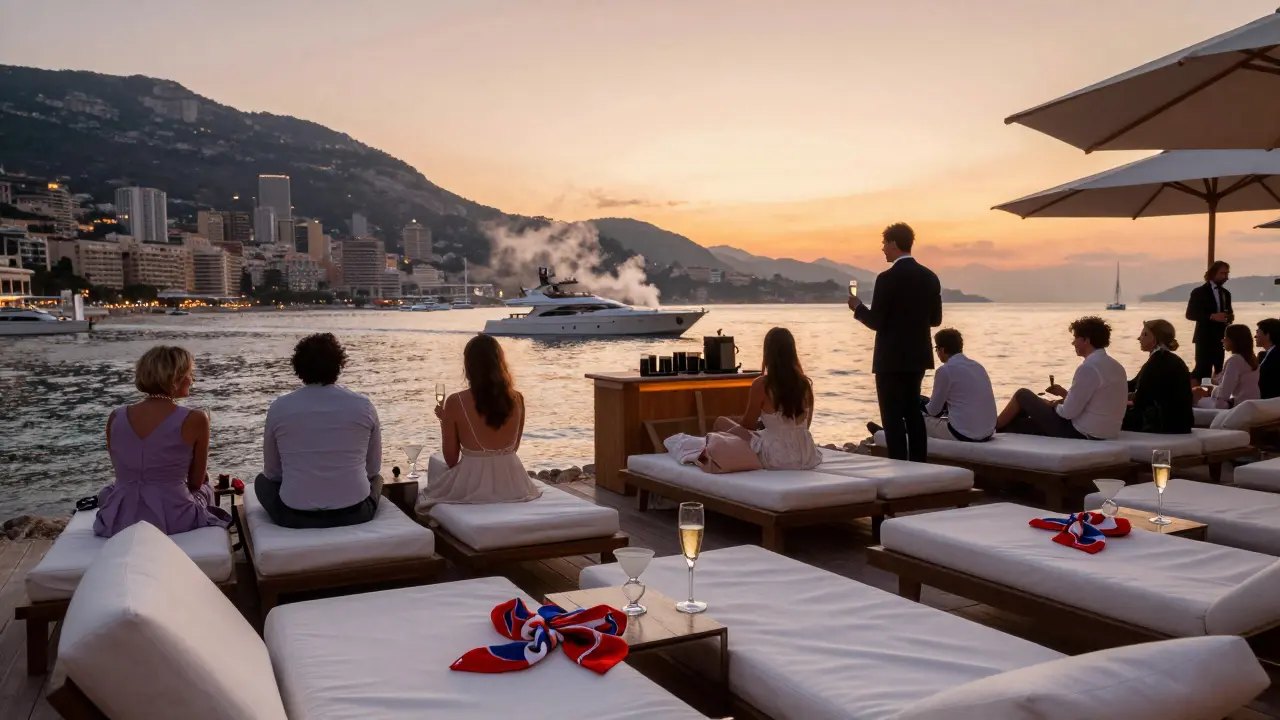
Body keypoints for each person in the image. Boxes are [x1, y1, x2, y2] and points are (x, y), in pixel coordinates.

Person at [94, 346, 231, 538]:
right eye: (190, 374)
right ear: (175, 377)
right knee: (206, 486)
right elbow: (195, 483)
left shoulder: (116, 417)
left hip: (120, 518)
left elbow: (123, 471)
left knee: (110, 491)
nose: (192, 380)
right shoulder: (195, 418)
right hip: (174, 518)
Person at [255, 333, 384, 529]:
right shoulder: (363, 406)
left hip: (295, 516)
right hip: (356, 512)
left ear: (298, 367)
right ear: (339, 365)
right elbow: (372, 469)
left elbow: (273, 474)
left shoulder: (279, 408)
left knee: (261, 482)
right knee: (378, 479)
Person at [848, 223, 942, 461]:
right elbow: (936, 319)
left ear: (893, 243)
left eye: (884, 244)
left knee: (891, 417)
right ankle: (920, 463)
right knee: (912, 412)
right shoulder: (930, 277)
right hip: (918, 357)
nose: (882, 250)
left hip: (890, 359)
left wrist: (858, 308)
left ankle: (900, 465)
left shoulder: (886, 279)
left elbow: (877, 321)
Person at [416, 334, 541, 511]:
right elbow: (512, 449)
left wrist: (445, 421)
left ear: (469, 366)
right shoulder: (517, 399)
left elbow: (451, 460)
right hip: (514, 484)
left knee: (426, 492)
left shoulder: (455, 401)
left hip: (473, 484)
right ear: (500, 363)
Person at [996, 316, 1127, 440]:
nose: (1073, 343)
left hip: (1080, 432)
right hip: (1107, 432)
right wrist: (1063, 397)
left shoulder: (1088, 368)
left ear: (1086, 340)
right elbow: (1094, 401)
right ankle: (1001, 428)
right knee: (1019, 424)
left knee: (1022, 395)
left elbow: (1068, 413)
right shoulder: (1116, 366)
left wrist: (1052, 404)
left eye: (1076, 338)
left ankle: (992, 427)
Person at [713, 327, 822, 469]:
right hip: (807, 455)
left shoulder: (762, 384)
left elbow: (748, 425)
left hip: (777, 456)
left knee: (721, 423)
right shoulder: (805, 384)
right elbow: (805, 426)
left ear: (768, 353)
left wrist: (741, 422)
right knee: (758, 434)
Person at [921, 328, 996, 442]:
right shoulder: (978, 366)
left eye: (936, 349)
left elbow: (933, 411)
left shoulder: (945, 370)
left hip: (963, 433)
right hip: (988, 431)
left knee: (916, 419)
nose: (936, 353)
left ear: (943, 349)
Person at [1122, 319, 1193, 434]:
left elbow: (1141, 398)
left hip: (1162, 424)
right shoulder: (1169, 359)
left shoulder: (1158, 362)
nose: (1139, 338)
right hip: (1181, 424)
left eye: (1143, 334)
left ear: (1154, 339)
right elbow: (1134, 385)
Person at [1186, 260, 1233, 380]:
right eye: (1222, 273)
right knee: (1202, 370)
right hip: (1204, 338)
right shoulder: (1199, 292)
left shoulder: (1226, 293)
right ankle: (1197, 394)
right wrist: (1211, 316)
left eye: (1227, 274)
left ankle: (1216, 395)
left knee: (1219, 370)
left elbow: (1230, 312)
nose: (1225, 277)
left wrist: (1228, 317)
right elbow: (1190, 314)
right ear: (1213, 273)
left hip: (1221, 338)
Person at [1194, 324, 1260, 409]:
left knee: (1193, 396)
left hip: (1236, 406)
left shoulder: (1235, 360)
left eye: (1225, 337)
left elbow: (1224, 393)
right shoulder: (1251, 359)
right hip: (1250, 403)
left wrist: (1211, 394)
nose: (1222, 340)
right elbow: (1225, 381)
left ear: (1233, 340)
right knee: (1198, 392)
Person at [1256, 319, 1280, 400]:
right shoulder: (1265, 354)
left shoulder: (1277, 355)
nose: (1255, 336)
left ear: (1268, 335)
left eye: (1258, 332)